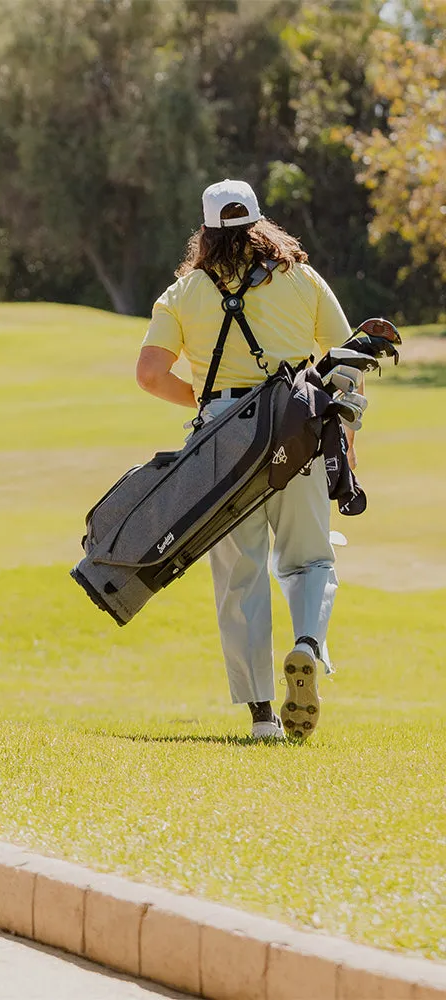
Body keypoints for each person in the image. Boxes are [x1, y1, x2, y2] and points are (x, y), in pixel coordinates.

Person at [135, 179, 353, 741]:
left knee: (240, 576)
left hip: (221, 444)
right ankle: (306, 644)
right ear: (261, 223)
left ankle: (261, 718)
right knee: (310, 559)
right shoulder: (302, 278)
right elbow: (344, 359)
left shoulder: (183, 294)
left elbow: (150, 375)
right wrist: (344, 438)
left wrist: (205, 404)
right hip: (297, 430)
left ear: (205, 232)